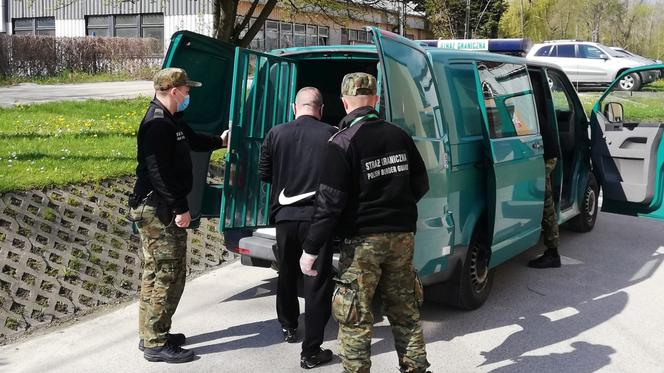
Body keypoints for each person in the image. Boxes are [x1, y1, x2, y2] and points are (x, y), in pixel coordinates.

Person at [299, 73, 431, 373]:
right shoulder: (400, 136)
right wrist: (395, 208)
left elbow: (329, 203)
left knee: (355, 318)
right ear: (376, 100)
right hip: (402, 237)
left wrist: (311, 248)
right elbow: (421, 184)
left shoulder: (342, 142)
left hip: (361, 243)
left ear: (345, 104)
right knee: (405, 312)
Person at [128, 67, 228, 363]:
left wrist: (220, 142)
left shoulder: (171, 120)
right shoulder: (157, 125)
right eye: (187, 90)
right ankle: (156, 344)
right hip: (158, 209)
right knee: (169, 275)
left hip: (157, 206)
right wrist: (180, 208)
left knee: (155, 272)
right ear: (174, 91)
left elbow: (193, 140)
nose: (189, 95)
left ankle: (151, 333)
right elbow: (159, 173)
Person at [259, 87, 337, 369]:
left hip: (284, 218)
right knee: (316, 281)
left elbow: (264, 173)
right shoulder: (332, 134)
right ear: (321, 108)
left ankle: (288, 326)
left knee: (287, 272)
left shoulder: (275, 133)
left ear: (295, 107)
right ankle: (312, 349)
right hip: (318, 220)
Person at [528, 109, 562, 269]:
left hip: (545, 157)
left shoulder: (522, 106)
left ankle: (553, 253)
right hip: (542, 154)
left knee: (546, 204)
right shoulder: (524, 103)